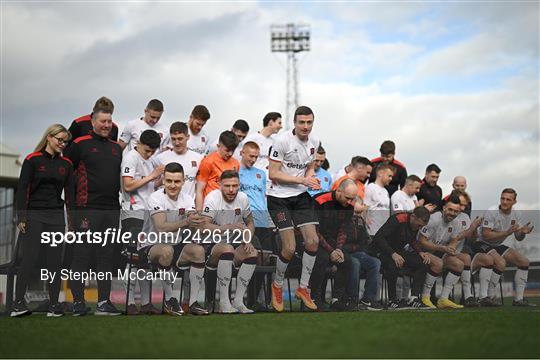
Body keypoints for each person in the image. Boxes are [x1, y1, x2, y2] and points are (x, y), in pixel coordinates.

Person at [64, 105, 123, 316]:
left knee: (106, 256)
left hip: (112, 209)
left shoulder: (117, 148)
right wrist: (70, 206)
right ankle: (78, 302)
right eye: (103, 121)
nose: (107, 125)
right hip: (86, 209)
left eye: (109, 122)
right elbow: (65, 174)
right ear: (93, 122)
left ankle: (103, 303)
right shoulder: (79, 145)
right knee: (82, 255)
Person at [11, 124, 74, 317]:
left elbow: (70, 195)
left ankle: (54, 305)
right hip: (34, 215)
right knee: (30, 258)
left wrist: (72, 222)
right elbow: (22, 189)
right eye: (59, 139)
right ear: (49, 137)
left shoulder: (67, 165)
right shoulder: (32, 160)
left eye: (65, 141)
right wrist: (21, 217)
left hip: (56, 216)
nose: (62, 144)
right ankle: (18, 304)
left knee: (54, 262)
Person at [267, 105, 321, 312]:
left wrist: (310, 178)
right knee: (289, 248)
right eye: (302, 122)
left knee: (313, 241)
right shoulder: (282, 141)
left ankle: (303, 288)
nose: (305, 126)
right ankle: (277, 285)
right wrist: (304, 181)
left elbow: (309, 165)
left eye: (309, 122)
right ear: (295, 123)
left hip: (300, 196)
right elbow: (273, 173)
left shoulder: (315, 141)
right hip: (278, 198)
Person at [139, 162, 209, 316]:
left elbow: (193, 220)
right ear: (163, 180)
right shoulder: (154, 198)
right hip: (150, 245)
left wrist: (199, 221)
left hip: (175, 243)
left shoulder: (187, 198)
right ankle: (170, 300)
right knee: (166, 251)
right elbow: (161, 227)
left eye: (177, 181)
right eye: (169, 181)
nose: (172, 185)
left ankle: (193, 303)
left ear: (184, 181)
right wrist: (187, 222)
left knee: (198, 251)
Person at [200, 170, 259, 314]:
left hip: (233, 246)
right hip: (211, 247)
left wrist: (247, 238)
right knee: (227, 248)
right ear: (220, 184)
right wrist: (229, 227)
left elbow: (250, 222)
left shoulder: (243, 198)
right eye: (227, 186)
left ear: (240, 185)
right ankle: (224, 302)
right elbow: (204, 227)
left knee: (252, 253)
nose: (231, 190)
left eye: (235, 185)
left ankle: (238, 301)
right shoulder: (212, 199)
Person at [120, 129, 164, 315]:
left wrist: (161, 181)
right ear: (139, 143)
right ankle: (129, 302)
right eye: (147, 150)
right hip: (132, 213)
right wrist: (153, 176)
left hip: (148, 214)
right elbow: (127, 185)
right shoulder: (131, 157)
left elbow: (149, 186)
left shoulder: (151, 159)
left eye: (153, 151)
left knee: (145, 259)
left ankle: (146, 303)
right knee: (132, 257)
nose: (150, 153)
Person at [416, 195, 485, 309]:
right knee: (438, 263)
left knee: (459, 264)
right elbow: (420, 241)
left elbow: (454, 240)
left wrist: (451, 249)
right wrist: (442, 249)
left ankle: (443, 299)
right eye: (450, 209)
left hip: (437, 251)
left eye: (455, 211)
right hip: (420, 251)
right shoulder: (433, 219)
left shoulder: (456, 222)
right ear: (444, 208)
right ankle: (425, 298)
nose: (452, 213)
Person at [475, 188, 535, 306]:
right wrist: (507, 233)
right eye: (502, 198)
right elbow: (486, 235)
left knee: (524, 262)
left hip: (496, 244)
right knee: (501, 262)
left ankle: (518, 300)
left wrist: (522, 232)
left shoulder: (517, 214)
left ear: (514, 202)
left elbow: (518, 237)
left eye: (508, 199)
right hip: (480, 243)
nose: (504, 202)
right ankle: (488, 297)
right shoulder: (491, 211)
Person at [371, 206, 434, 309]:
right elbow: (379, 237)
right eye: (419, 225)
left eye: (421, 227)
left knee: (423, 262)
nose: (419, 228)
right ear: (413, 217)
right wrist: (393, 253)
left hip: (397, 252)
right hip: (381, 251)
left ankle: (413, 298)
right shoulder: (398, 219)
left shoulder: (415, 225)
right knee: (394, 263)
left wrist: (420, 252)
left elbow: (412, 239)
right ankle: (392, 300)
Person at [310, 180, 357, 311]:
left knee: (347, 261)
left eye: (352, 199)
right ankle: (314, 298)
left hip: (331, 241)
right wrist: (331, 251)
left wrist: (338, 249)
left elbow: (343, 229)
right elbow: (314, 230)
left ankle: (336, 299)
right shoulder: (319, 201)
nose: (349, 202)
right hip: (312, 239)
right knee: (322, 258)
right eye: (347, 198)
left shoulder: (349, 206)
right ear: (339, 191)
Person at [153, 122, 203, 199]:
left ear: (188, 137)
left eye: (180, 139)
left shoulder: (199, 158)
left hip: (188, 207)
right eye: (173, 139)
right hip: (166, 207)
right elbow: (152, 186)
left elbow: (199, 187)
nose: (177, 143)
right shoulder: (160, 158)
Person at [195, 130, 240, 210]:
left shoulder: (236, 164)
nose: (230, 153)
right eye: (227, 150)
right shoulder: (208, 161)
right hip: (211, 206)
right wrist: (199, 213)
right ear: (218, 146)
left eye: (232, 150)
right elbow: (199, 190)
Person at [364, 164, 393, 236]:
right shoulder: (370, 187)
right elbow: (365, 207)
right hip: (372, 231)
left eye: (392, 177)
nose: (391, 179)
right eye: (389, 176)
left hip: (383, 231)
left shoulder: (386, 191)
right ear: (380, 173)